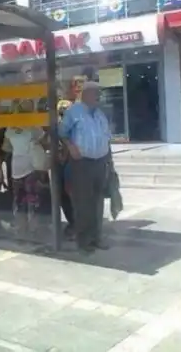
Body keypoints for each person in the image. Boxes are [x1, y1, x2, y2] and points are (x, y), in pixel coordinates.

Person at [59, 81, 111, 254]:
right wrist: (70, 146)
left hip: (100, 162)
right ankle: (84, 241)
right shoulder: (74, 112)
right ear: (87, 94)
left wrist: (108, 161)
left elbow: (106, 137)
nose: (99, 97)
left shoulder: (100, 114)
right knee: (83, 203)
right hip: (82, 163)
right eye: (96, 93)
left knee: (97, 202)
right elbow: (61, 132)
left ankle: (97, 237)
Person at [3, 100, 45, 237]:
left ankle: (21, 228)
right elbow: (44, 140)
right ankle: (33, 229)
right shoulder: (33, 126)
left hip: (16, 167)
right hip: (31, 166)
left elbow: (6, 147)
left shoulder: (10, 128)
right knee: (33, 199)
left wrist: (17, 147)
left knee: (19, 200)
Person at [57, 100, 75, 239]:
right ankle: (73, 223)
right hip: (65, 164)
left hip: (70, 164)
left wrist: (63, 157)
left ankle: (75, 225)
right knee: (64, 195)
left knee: (69, 195)